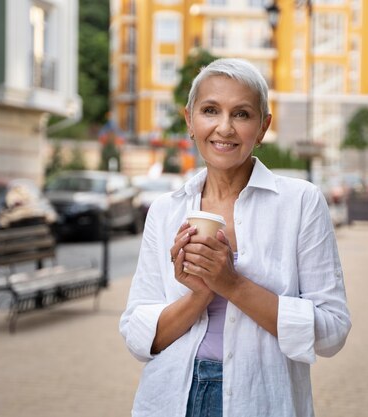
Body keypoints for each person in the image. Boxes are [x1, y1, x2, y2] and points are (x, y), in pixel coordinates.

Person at [119, 58, 351, 417]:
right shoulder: (166, 210)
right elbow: (139, 337)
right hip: (170, 398)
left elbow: (332, 332)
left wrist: (231, 284)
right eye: (210, 110)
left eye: (241, 114)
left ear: (263, 127)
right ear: (190, 120)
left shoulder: (300, 202)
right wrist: (201, 293)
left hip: (260, 400)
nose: (224, 128)